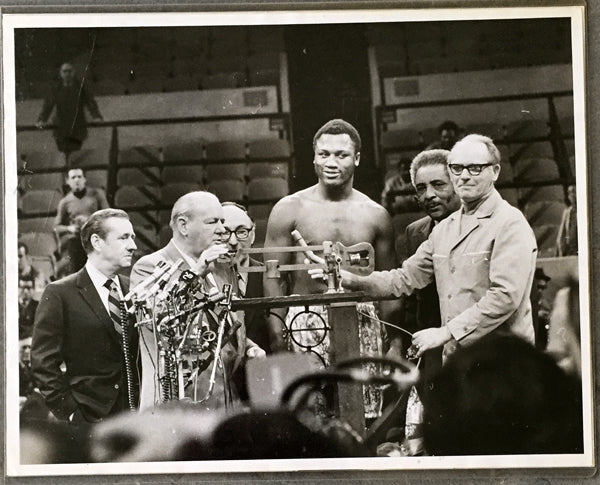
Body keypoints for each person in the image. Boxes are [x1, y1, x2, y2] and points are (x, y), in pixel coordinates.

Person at [318, 134, 537, 363]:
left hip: (506, 362)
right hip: (459, 362)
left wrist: (446, 332)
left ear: (495, 171)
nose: (464, 176)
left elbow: (505, 296)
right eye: (457, 168)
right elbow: (403, 278)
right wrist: (351, 280)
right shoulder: (444, 230)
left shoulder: (510, 222)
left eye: (475, 168)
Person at [264, 118, 399, 419]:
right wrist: (276, 335)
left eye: (341, 155)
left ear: (357, 158)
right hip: (303, 321)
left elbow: (390, 285)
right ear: (314, 156)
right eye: (324, 154)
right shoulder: (289, 209)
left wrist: (395, 341)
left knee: (362, 417)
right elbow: (273, 277)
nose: (331, 162)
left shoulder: (376, 215)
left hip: (362, 320)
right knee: (308, 418)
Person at [130, 191, 264, 411]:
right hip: (176, 401)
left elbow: (223, 326)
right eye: (213, 222)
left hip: (224, 399)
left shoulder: (220, 267)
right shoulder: (150, 267)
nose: (222, 229)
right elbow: (159, 321)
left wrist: (249, 347)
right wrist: (195, 273)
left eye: (222, 221)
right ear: (183, 225)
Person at [31, 208, 138, 425]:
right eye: (124, 237)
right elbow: (43, 362)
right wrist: (70, 411)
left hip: (137, 415)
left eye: (133, 237)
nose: (133, 246)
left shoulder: (135, 287)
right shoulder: (60, 293)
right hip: (89, 418)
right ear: (97, 242)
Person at [213, 202, 268, 401]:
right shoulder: (206, 278)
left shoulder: (270, 276)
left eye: (242, 231)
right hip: (223, 389)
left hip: (264, 384)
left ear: (253, 234)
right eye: (225, 232)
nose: (233, 241)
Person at [36, 62, 103, 160]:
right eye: (64, 71)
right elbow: (48, 106)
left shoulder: (80, 88)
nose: (67, 74)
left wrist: (97, 117)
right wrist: (42, 120)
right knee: (63, 156)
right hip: (61, 129)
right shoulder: (56, 89)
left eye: (69, 71)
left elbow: (90, 102)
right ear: (60, 73)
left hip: (77, 129)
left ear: (74, 72)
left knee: (74, 156)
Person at [55, 167, 109, 276]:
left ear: (85, 179)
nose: (76, 180)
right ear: (67, 181)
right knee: (78, 275)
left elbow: (108, 216)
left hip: (95, 239)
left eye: (79, 177)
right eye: (73, 177)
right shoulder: (65, 202)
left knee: (99, 273)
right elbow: (56, 227)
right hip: (76, 242)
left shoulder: (97, 194)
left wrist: (90, 220)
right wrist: (69, 228)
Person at [556, 184, 578, 256]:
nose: (571, 195)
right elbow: (562, 231)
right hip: (570, 248)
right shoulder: (567, 212)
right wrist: (560, 245)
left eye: (573, 192)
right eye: (569, 192)